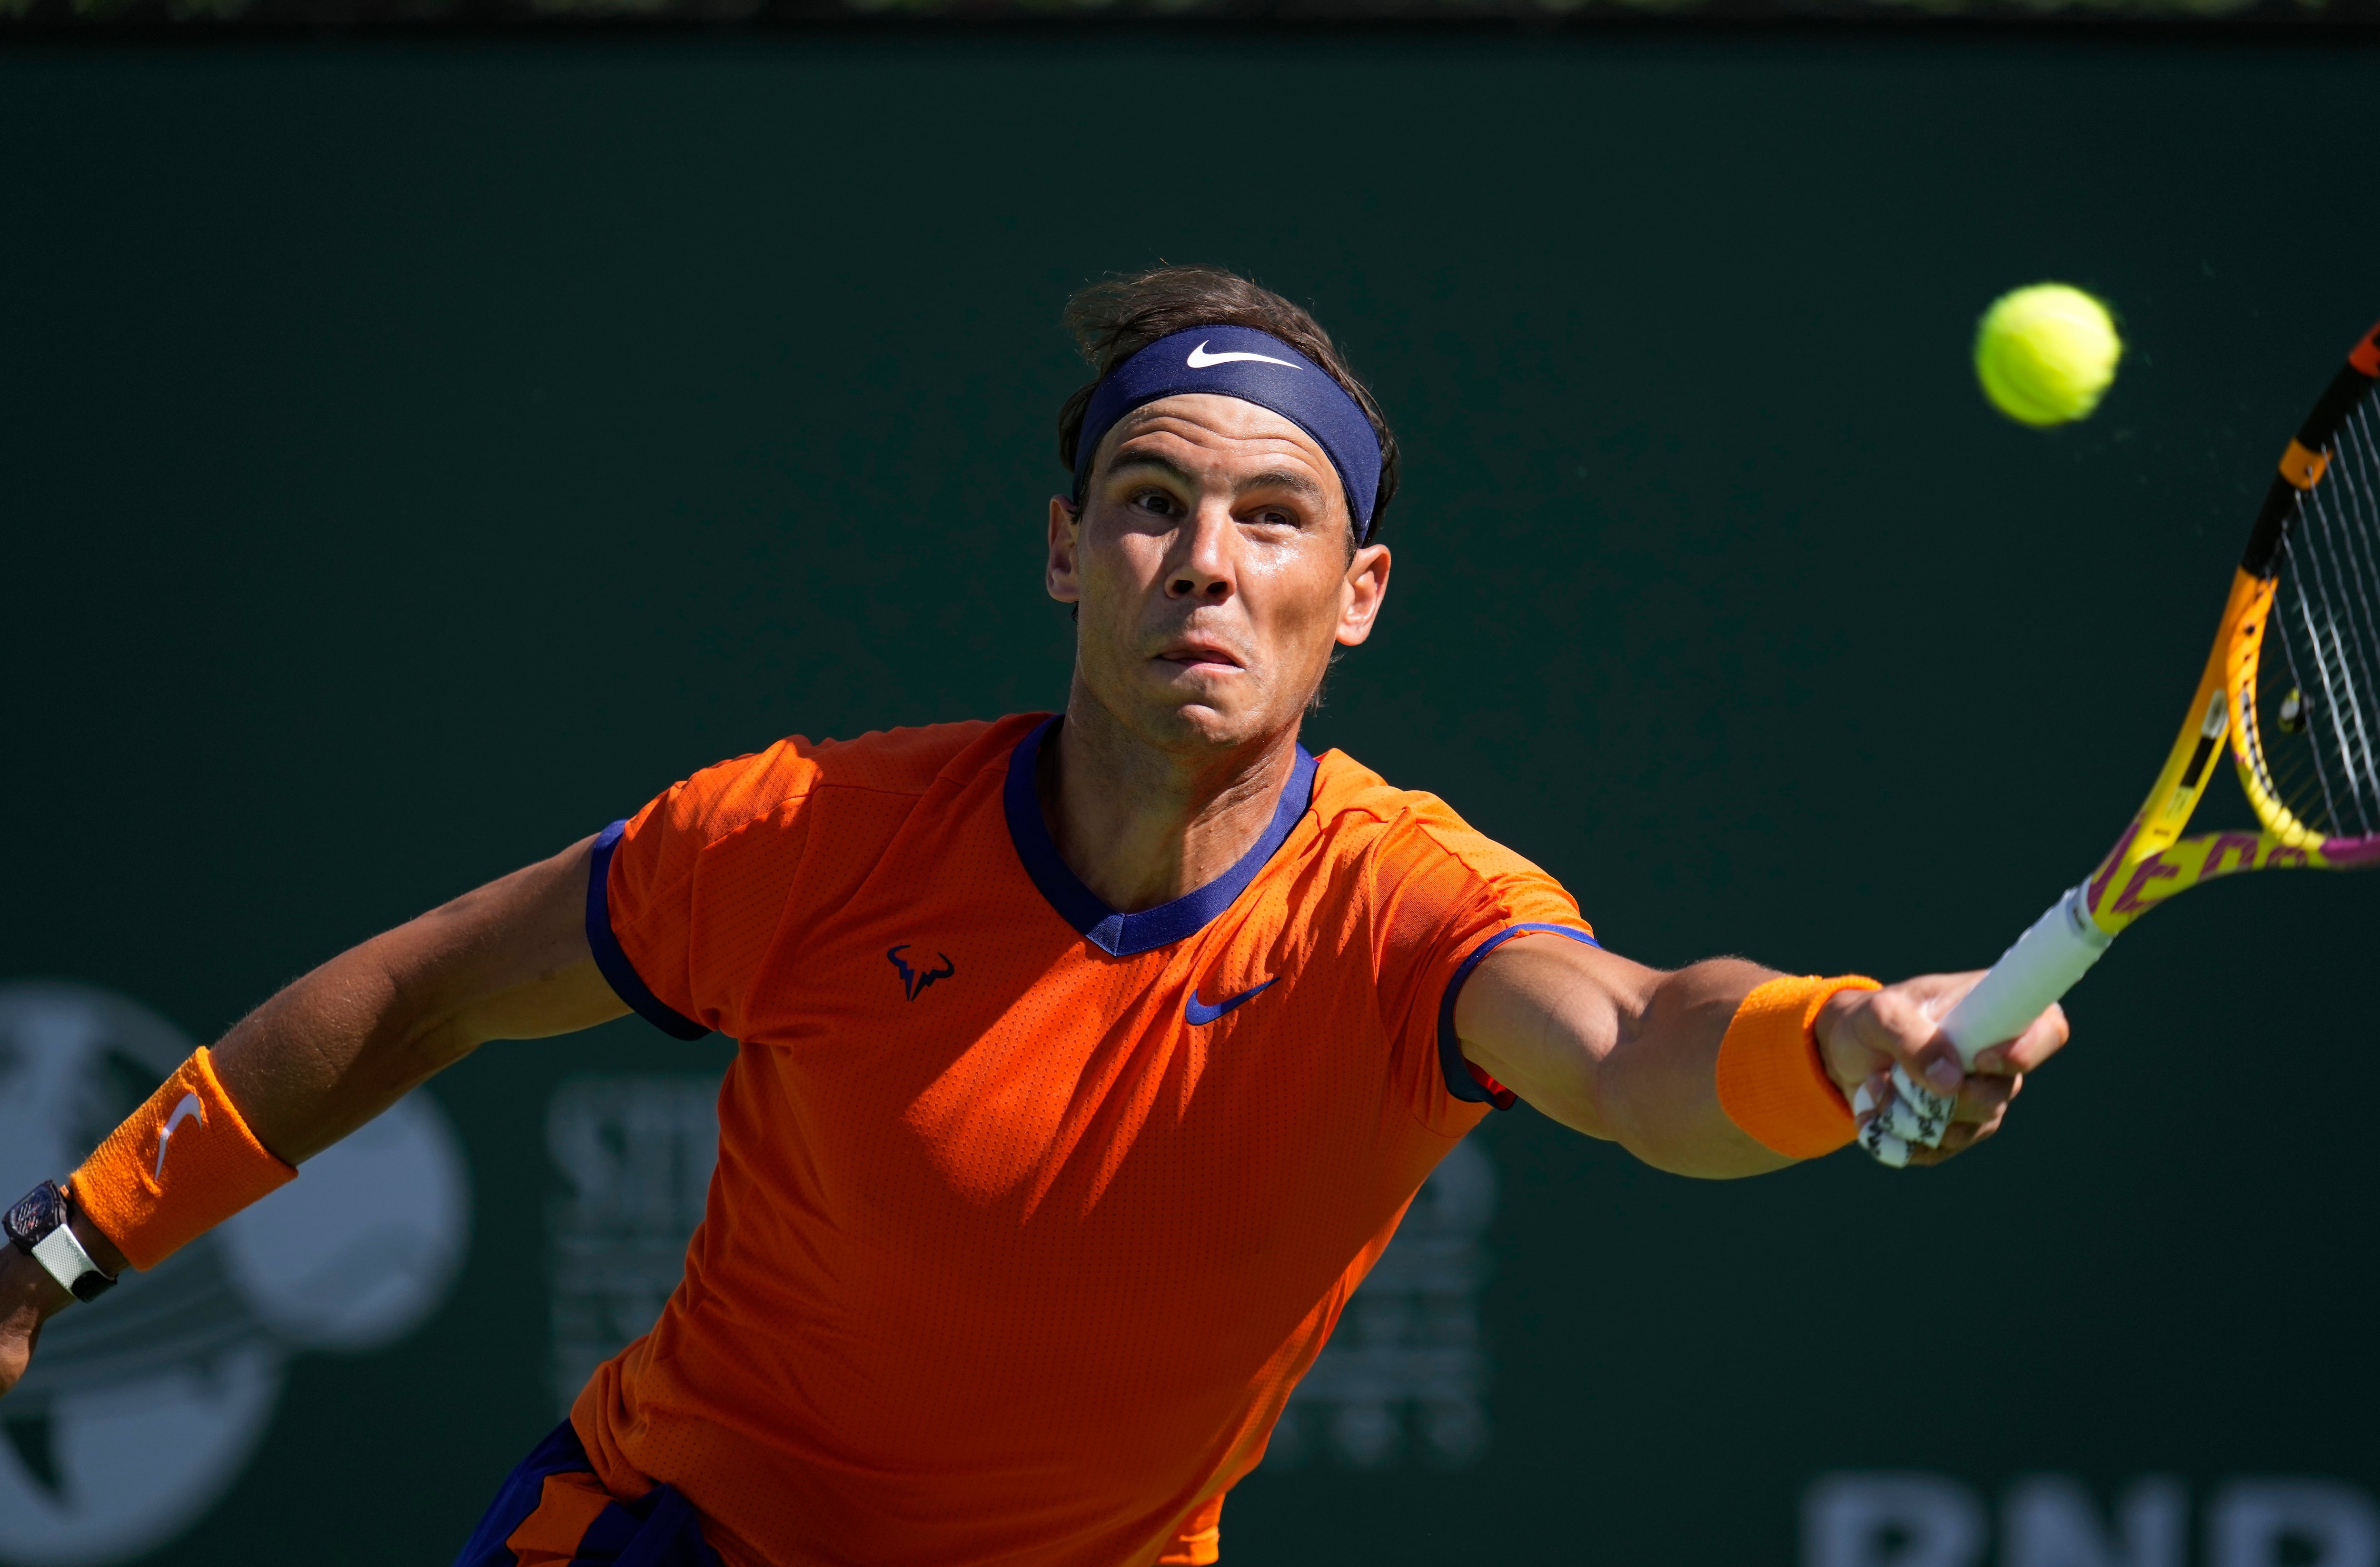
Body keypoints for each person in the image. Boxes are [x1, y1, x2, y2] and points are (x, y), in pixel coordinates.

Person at [0, 264, 2066, 1567]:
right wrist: (64, 1246)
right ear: (1063, 550)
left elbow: (1629, 1044)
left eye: (1276, 520)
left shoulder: (1408, 911)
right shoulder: (807, 836)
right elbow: (419, 992)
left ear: (1350, 602)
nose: (1204, 561)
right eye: (1152, 502)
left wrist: (1839, 1037)